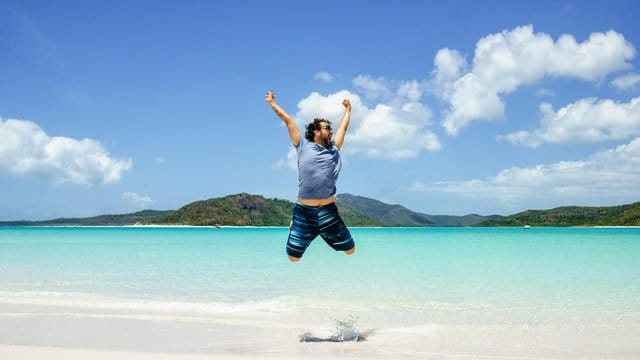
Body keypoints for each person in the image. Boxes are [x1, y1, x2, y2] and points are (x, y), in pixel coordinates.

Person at [265, 90, 356, 262]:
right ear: (315, 131)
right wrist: (272, 103)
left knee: (350, 250)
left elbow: (344, 127)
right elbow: (287, 120)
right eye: (327, 128)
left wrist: (348, 110)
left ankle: (323, 233)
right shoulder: (302, 146)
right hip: (304, 212)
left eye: (330, 128)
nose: (330, 131)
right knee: (293, 258)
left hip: (329, 212)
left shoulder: (334, 149)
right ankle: (296, 226)